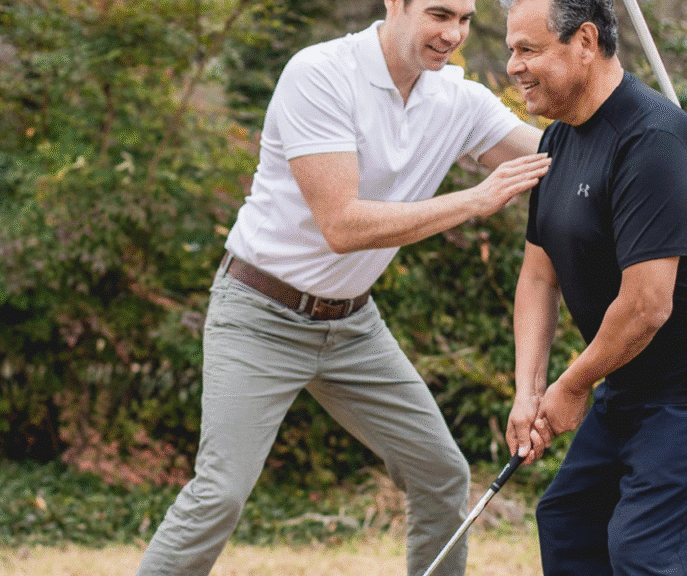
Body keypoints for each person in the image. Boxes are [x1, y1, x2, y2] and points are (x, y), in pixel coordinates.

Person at [134, 0, 552, 574]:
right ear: (394, 4)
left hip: (351, 326)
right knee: (220, 494)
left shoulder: (457, 101)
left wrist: (676, 174)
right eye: (438, 14)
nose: (453, 34)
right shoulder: (321, 74)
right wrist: (475, 201)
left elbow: (565, 157)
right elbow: (342, 224)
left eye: (464, 19)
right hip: (259, 312)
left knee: (442, 475)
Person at [500, 0, 687, 574]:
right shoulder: (558, 139)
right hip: (633, 372)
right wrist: (529, 391)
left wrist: (572, 386)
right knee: (569, 521)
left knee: (648, 554)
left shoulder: (651, 141)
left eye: (528, 50)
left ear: (583, 41)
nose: (513, 66)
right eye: (511, 50)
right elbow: (538, 273)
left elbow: (647, 306)